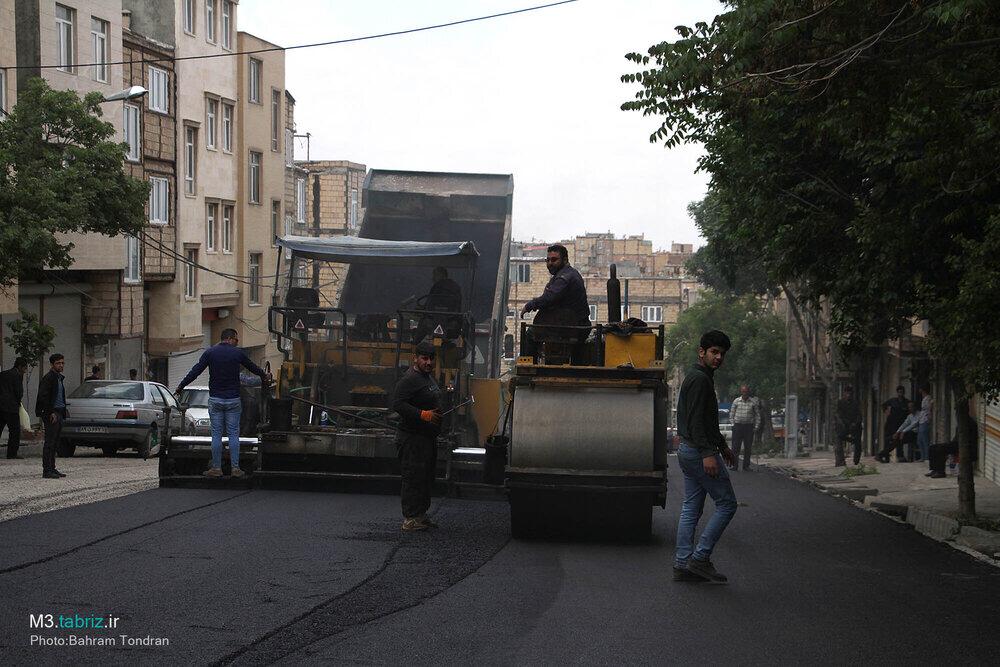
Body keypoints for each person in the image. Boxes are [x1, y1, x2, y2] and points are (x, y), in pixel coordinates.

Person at [673, 330, 738, 584]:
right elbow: (697, 422)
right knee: (727, 504)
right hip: (697, 451)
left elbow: (708, 421)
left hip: (689, 450)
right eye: (714, 352)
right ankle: (700, 558)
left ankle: (682, 563)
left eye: (722, 354)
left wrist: (723, 447)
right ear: (702, 352)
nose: (718, 358)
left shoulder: (700, 377)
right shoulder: (700, 379)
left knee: (691, 507)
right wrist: (709, 454)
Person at [175, 329, 270, 478]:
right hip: (233, 400)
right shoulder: (238, 353)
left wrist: (181, 386)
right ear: (231, 338)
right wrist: (264, 376)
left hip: (216, 400)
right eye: (237, 340)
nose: (237, 343)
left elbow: (196, 371)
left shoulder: (210, 353)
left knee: (217, 435)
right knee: (233, 435)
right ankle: (235, 469)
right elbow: (253, 367)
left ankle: (216, 468)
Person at [391, 339, 442, 532]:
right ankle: (410, 518)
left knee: (425, 478)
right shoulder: (410, 379)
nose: (429, 362)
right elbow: (398, 404)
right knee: (413, 477)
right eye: (425, 358)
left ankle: (420, 515)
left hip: (426, 438)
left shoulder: (427, 378)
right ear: (416, 359)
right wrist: (422, 414)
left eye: (431, 359)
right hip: (412, 438)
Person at [519, 244, 590, 361]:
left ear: (565, 260)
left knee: (530, 335)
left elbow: (550, 297)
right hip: (570, 324)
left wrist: (530, 305)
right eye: (548, 260)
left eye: (554, 260)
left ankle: (527, 368)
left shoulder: (565, 277)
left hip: (572, 326)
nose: (550, 263)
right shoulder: (566, 274)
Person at [35, 353, 68, 479]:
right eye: (58, 363)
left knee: (55, 442)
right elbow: (43, 398)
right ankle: (47, 470)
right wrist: (50, 413)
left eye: (62, 363)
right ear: (52, 364)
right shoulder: (49, 378)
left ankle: (52, 468)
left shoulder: (59, 378)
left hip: (59, 412)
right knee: (49, 442)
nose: (61, 365)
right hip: (51, 414)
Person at [0, 358, 28, 460]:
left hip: (1, 406)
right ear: (20, 367)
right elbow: (18, 392)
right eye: (24, 368)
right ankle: (12, 453)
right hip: (11, 408)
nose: (25, 370)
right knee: (15, 431)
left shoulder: (3, 374)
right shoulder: (17, 376)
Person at [728, 384, 761, 471]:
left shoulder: (753, 402)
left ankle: (746, 466)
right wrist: (733, 424)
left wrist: (756, 426)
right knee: (735, 447)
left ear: (748, 392)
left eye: (746, 391)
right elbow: (731, 413)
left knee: (748, 447)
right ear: (741, 392)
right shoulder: (736, 401)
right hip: (738, 426)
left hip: (749, 427)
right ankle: (734, 466)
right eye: (743, 391)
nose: (744, 393)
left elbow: (757, 415)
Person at [834, 386, 863, 467]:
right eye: (847, 393)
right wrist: (843, 423)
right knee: (839, 438)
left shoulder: (856, 403)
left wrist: (855, 423)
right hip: (844, 425)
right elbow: (839, 414)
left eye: (850, 393)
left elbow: (859, 415)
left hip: (855, 425)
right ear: (844, 393)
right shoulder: (840, 402)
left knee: (858, 442)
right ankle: (840, 461)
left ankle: (856, 460)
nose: (848, 395)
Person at [879, 385, 908, 462]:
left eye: (902, 392)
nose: (900, 394)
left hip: (900, 424)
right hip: (890, 423)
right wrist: (886, 412)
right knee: (887, 440)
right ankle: (885, 457)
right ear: (897, 392)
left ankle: (900, 455)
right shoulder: (893, 401)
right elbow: (883, 405)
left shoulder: (906, 402)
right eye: (899, 392)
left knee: (898, 440)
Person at [917, 384, 932, 462]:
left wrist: (929, 418)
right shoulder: (924, 399)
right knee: (919, 440)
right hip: (921, 420)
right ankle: (923, 456)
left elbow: (929, 409)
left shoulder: (928, 398)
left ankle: (927, 457)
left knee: (925, 439)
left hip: (925, 420)